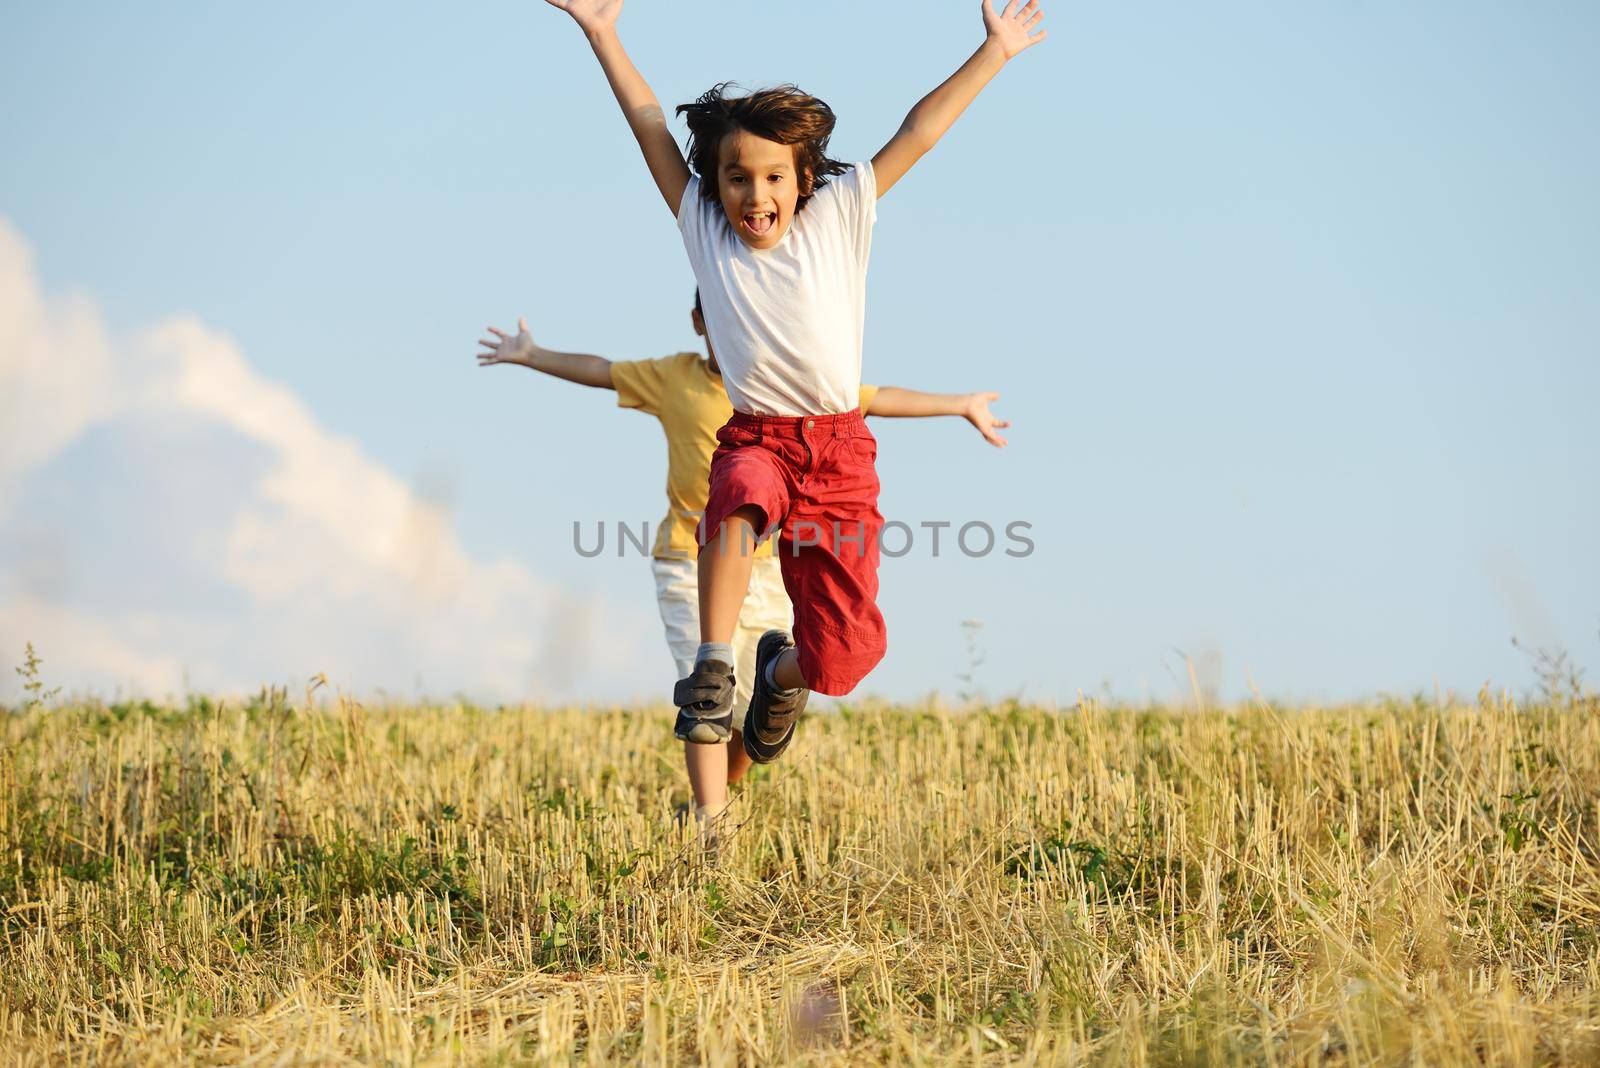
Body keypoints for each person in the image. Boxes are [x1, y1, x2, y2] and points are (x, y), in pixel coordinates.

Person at [541, 0, 1044, 833]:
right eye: (736, 177)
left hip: (840, 452)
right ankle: (713, 667)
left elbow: (919, 133)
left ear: (804, 181)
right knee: (735, 491)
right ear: (717, 186)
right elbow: (650, 133)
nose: (754, 194)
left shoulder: (839, 216)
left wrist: (991, 53)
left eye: (773, 177)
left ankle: (778, 673)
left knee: (841, 659)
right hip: (760, 437)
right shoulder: (703, 226)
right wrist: (604, 33)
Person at [476, 294, 1008, 822]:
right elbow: (601, 370)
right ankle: (711, 820)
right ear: (699, 322)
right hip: (689, 560)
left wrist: (960, 404)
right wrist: (532, 354)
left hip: (771, 564)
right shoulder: (673, 376)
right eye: (722, 318)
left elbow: (875, 397)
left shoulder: (784, 386)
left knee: (759, 707)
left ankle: (716, 794)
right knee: (707, 685)